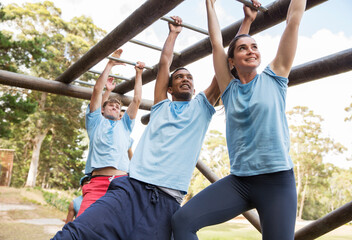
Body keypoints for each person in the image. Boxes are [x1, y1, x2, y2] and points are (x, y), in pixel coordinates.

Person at [52, 15, 220, 240]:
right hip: (132, 188)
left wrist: (245, 24)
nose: (185, 79)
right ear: (169, 89)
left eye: (189, 77)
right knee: (75, 234)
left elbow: (222, 63)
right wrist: (173, 34)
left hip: (167, 200)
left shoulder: (202, 107)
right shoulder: (161, 106)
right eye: (178, 77)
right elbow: (164, 64)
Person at [172, 0, 304, 239]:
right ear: (231, 61)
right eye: (243, 48)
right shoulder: (229, 89)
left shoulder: (275, 77)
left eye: (254, 46)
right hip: (241, 182)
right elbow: (216, 43)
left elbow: (293, 21)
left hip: (277, 182)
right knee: (182, 221)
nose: (251, 50)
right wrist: (210, 5)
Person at [76, 49, 144, 217]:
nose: (115, 108)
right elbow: (97, 91)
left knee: (120, 227)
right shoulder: (95, 122)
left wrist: (139, 74)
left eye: (118, 107)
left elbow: (137, 100)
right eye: (111, 106)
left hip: (121, 184)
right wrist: (110, 64)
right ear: (102, 109)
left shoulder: (125, 126)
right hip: (97, 183)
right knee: (83, 224)